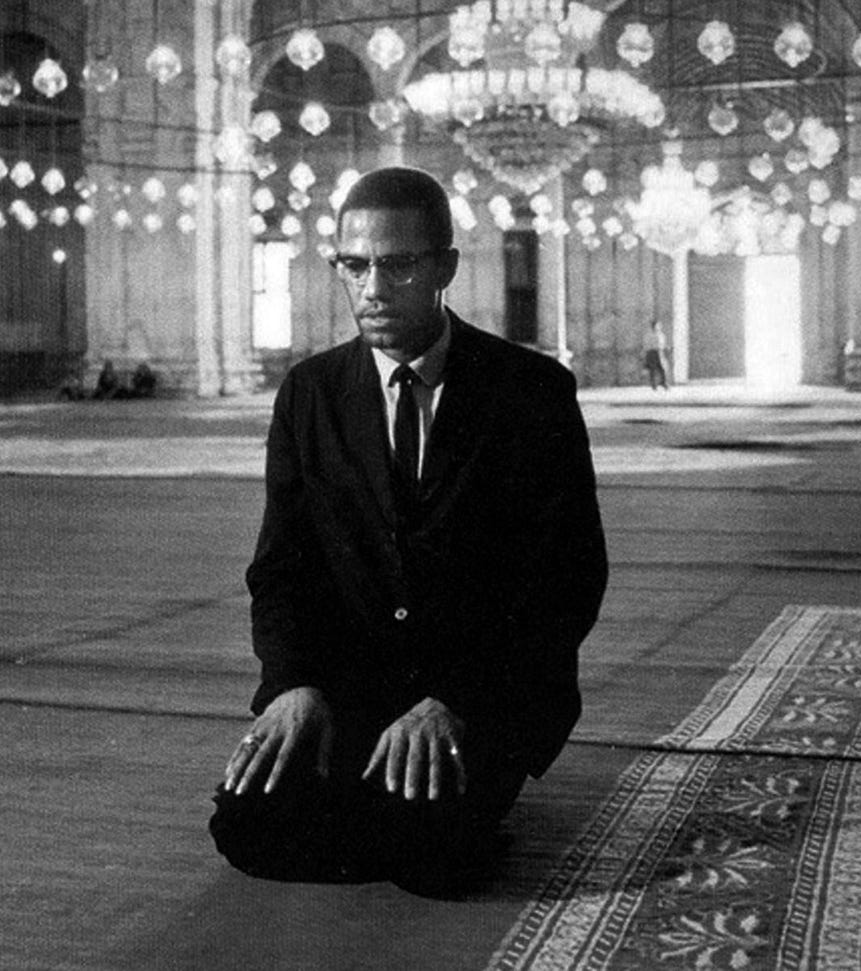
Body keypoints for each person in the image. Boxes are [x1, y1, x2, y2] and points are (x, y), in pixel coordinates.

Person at [209, 166, 608, 896]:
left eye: (397, 266)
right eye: (354, 265)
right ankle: (392, 808)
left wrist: (456, 699)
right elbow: (282, 568)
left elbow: (568, 579)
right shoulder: (310, 393)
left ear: (445, 268)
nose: (372, 288)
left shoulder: (530, 393)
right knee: (247, 828)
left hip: (480, 693)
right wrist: (294, 685)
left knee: (435, 861)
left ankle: (421, 809)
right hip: (352, 689)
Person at [642, 320, 669, 390]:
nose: (659, 327)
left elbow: (663, 344)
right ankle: (653, 384)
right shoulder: (649, 335)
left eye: (660, 325)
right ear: (653, 326)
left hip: (660, 352)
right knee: (652, 368)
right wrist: (646, 353)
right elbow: (646, 344)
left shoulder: (662, 335)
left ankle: (663, 382)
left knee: (662, 368)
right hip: (652, 352)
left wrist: (665, 348)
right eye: (657, 325)